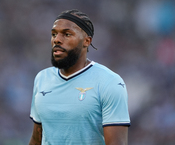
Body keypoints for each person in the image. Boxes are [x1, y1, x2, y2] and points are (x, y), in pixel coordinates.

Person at [29, 9, 130, 145]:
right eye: (54, 34)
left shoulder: (109, 82)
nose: (57, 40)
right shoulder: (42, 78)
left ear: (86, 41)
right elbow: (37, 139)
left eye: (67, 34)